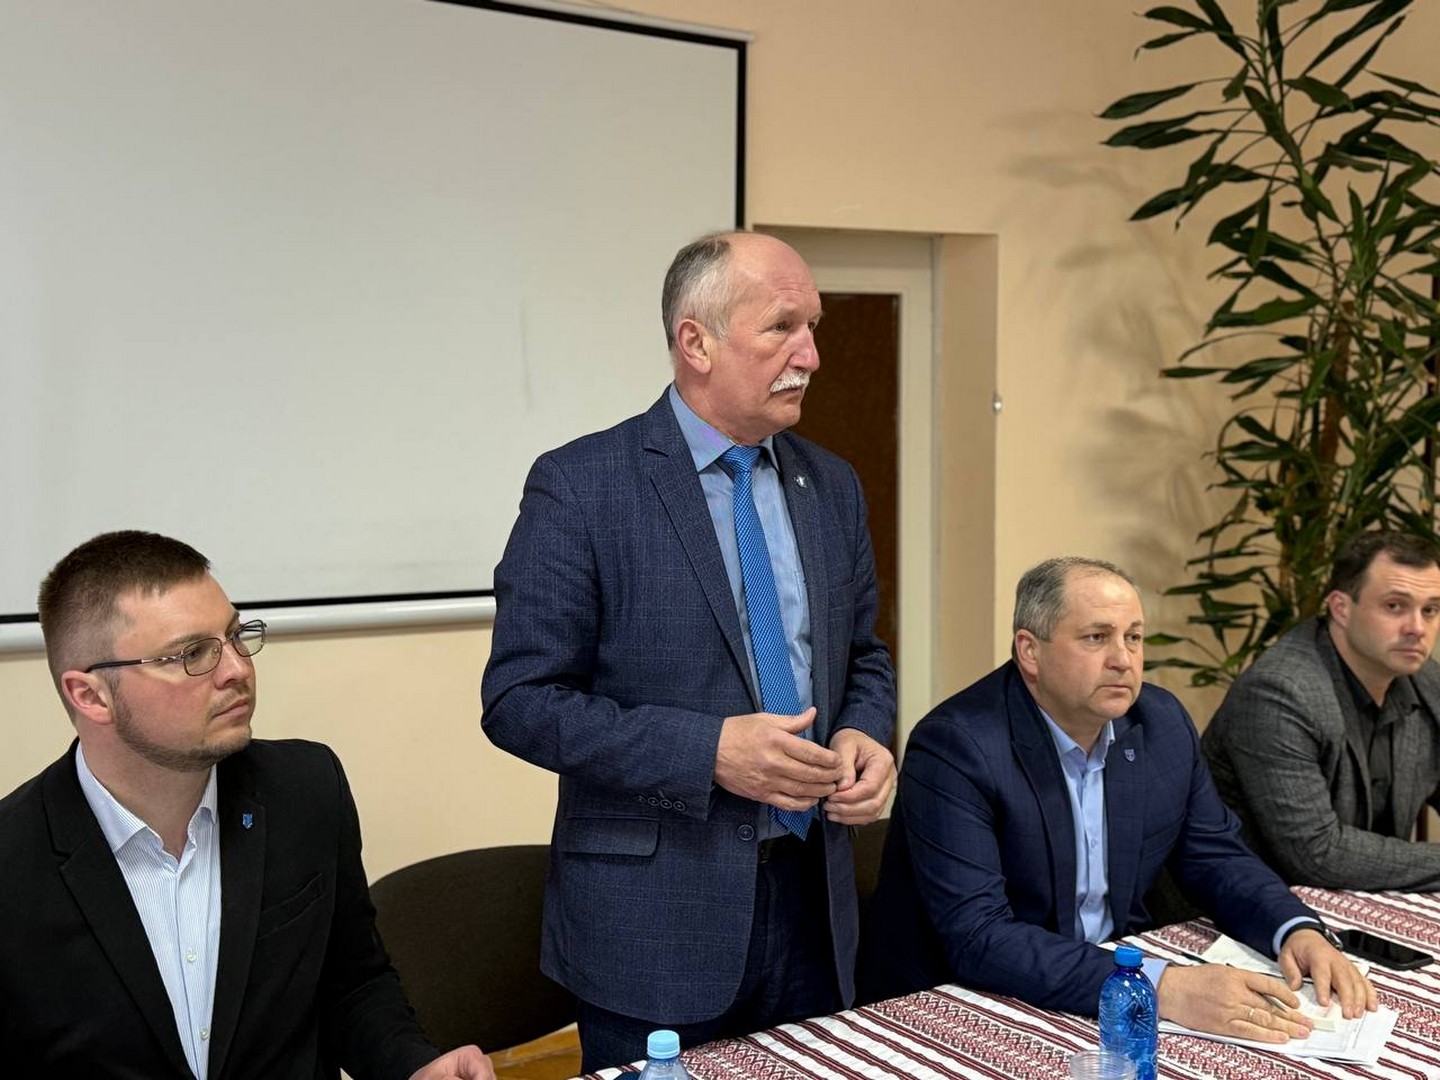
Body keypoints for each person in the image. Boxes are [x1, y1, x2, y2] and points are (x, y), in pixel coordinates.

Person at [482, 231, 896, 1070]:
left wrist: (865, 732)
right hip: (655, 924)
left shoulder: (832, 484)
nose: (811, 355)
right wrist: (707, 752)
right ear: (696, 342)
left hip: (814, 905)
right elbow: (519, 702)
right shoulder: (582, 486)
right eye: (782, 328)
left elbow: (865, 656)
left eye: (813, 327)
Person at [0, 530, 493, 1080]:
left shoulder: (305, 790)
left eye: (235, 636)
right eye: (193, 654)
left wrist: (413, 1067)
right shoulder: (13, 863)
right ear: (91, 695)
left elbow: (352, 986)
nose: (236, 669)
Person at [861, 557, 1374, 1041]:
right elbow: (980, 938)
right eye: (1096, 638)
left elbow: (1216, 855)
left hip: (1104, 977)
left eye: (1133, 637)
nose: (1123, 660)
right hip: (956, 1002)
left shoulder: (1160, 722)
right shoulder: (957, 746)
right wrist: (1161, 986)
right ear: (1030, 651)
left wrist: (1294, 929)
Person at [1204, 531, 1440, 890]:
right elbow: (1318, 855)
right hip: (1246, 906)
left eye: (1431, 610)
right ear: (1341, 608)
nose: (1417, 629)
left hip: (1362, 900)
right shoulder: (1279, 692)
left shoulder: (1426, 681)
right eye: (1395, 606)